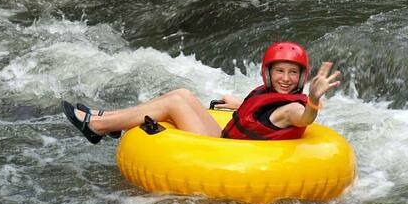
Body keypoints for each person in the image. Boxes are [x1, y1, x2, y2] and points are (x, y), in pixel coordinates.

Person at [62, 42, 340, 143]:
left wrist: (314, 99)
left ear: (302, 77)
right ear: (267, 72)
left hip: (229, 153)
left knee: (174, 103)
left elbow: (302, 118)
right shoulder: (274, 98)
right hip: (227, 141)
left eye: (293, 73)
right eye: (279, 71)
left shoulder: (294, 108)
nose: (286, 79)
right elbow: (263, 112)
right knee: (182, 92)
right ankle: (109, 118)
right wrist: (239, 103)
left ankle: (98, 127)